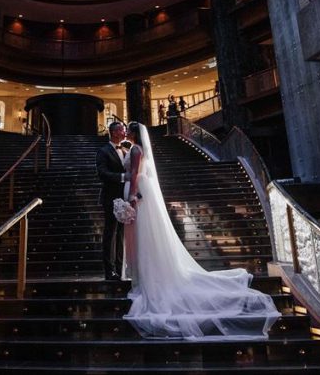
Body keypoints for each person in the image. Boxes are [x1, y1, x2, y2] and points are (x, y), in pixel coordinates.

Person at [121, 121, 280, 340]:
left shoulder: (136, 150)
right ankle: (144, 272)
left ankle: (149, 276)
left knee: (145, 235)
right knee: (146, 235)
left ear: (135, 133)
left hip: (139, 190)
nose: (126, 132)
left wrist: (132, 195)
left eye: (128, 129)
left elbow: (136, 172)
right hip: (141, 188)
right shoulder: (135, 149)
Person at [95, 120, 128, 280]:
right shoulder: (103, 151)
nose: (125, 132)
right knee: (110, 233)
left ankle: (120, 268)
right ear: (114, 132)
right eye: (122, 130)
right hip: (110, 197)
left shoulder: (126, 149)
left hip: (125, 197)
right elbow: (102, 173)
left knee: (121, 234)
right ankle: (109, 271)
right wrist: (122, 177)